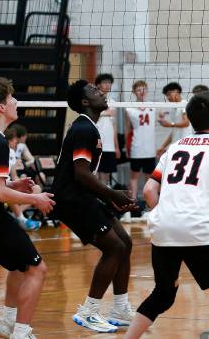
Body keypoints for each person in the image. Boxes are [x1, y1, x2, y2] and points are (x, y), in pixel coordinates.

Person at [124, 91, 209, 339]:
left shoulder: (174, 147)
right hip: (197, 229)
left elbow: (150, 189)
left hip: (162, 228)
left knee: (163, 294)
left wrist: (165, 215)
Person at [53, 80, 138, 333]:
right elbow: (81, 173)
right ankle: (88, 311)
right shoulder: (82, 129)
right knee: (114, 248)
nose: (101, 92)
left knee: (126, 243)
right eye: (93, 90)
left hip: (83, 196)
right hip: (71, 200)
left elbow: (85, 176)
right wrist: (112, 192)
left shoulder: (90, 127)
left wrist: (108, 198)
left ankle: (120, 309)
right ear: (85, 102)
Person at [0, 78, 55, 339]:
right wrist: (35, 200)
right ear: (1, 107)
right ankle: (21, 332)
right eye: (11, 98)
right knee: (36, 270)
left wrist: (13, 184)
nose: (16, 102)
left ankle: (7, 323)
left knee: (20, 266)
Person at [123, 80, 156, 220]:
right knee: (134, 178)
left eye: (143, 89)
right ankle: (131, 209)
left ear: (147, 90)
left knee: (150, 180)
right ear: (134, 92)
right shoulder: (129, 109)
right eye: (138, 90)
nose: (141, 92)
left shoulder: (154, 106)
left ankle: (150, 209)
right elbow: (127, 129)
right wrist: (126, 146)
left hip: (150, 149)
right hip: (136, 148)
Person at [95, 73, 120, 186]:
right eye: (104, 82)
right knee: (94, 174)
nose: (107, 85)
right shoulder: (93, 100)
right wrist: (105, 113)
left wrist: (117, 146)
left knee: (105, 176)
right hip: (96, 142)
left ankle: (104, 201)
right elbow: (92, 116)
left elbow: (114, 125)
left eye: (109, 83)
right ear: (98, 85)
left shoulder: (113, 102)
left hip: (109, 145)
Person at [156, 82, 192, 157]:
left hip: (185, 146)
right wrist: (162, 146)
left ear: (177, 91)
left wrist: (170, 124)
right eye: (166, 95)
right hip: (176, 146)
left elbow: (186, 123)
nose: (168, 97)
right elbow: (174, 132)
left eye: (169, 94)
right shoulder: (174, 108)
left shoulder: (184, 104)